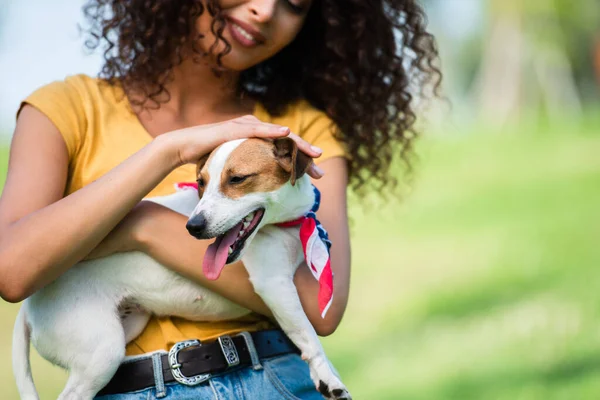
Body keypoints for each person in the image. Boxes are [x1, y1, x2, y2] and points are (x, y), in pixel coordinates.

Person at [0, 0, 441, 398]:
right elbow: (13, 270)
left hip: (278, 381)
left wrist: (143, 226)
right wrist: (167, 153)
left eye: (294, 3)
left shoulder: (298, 135)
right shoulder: (66, 109)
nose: (265, 11)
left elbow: (321, 310)